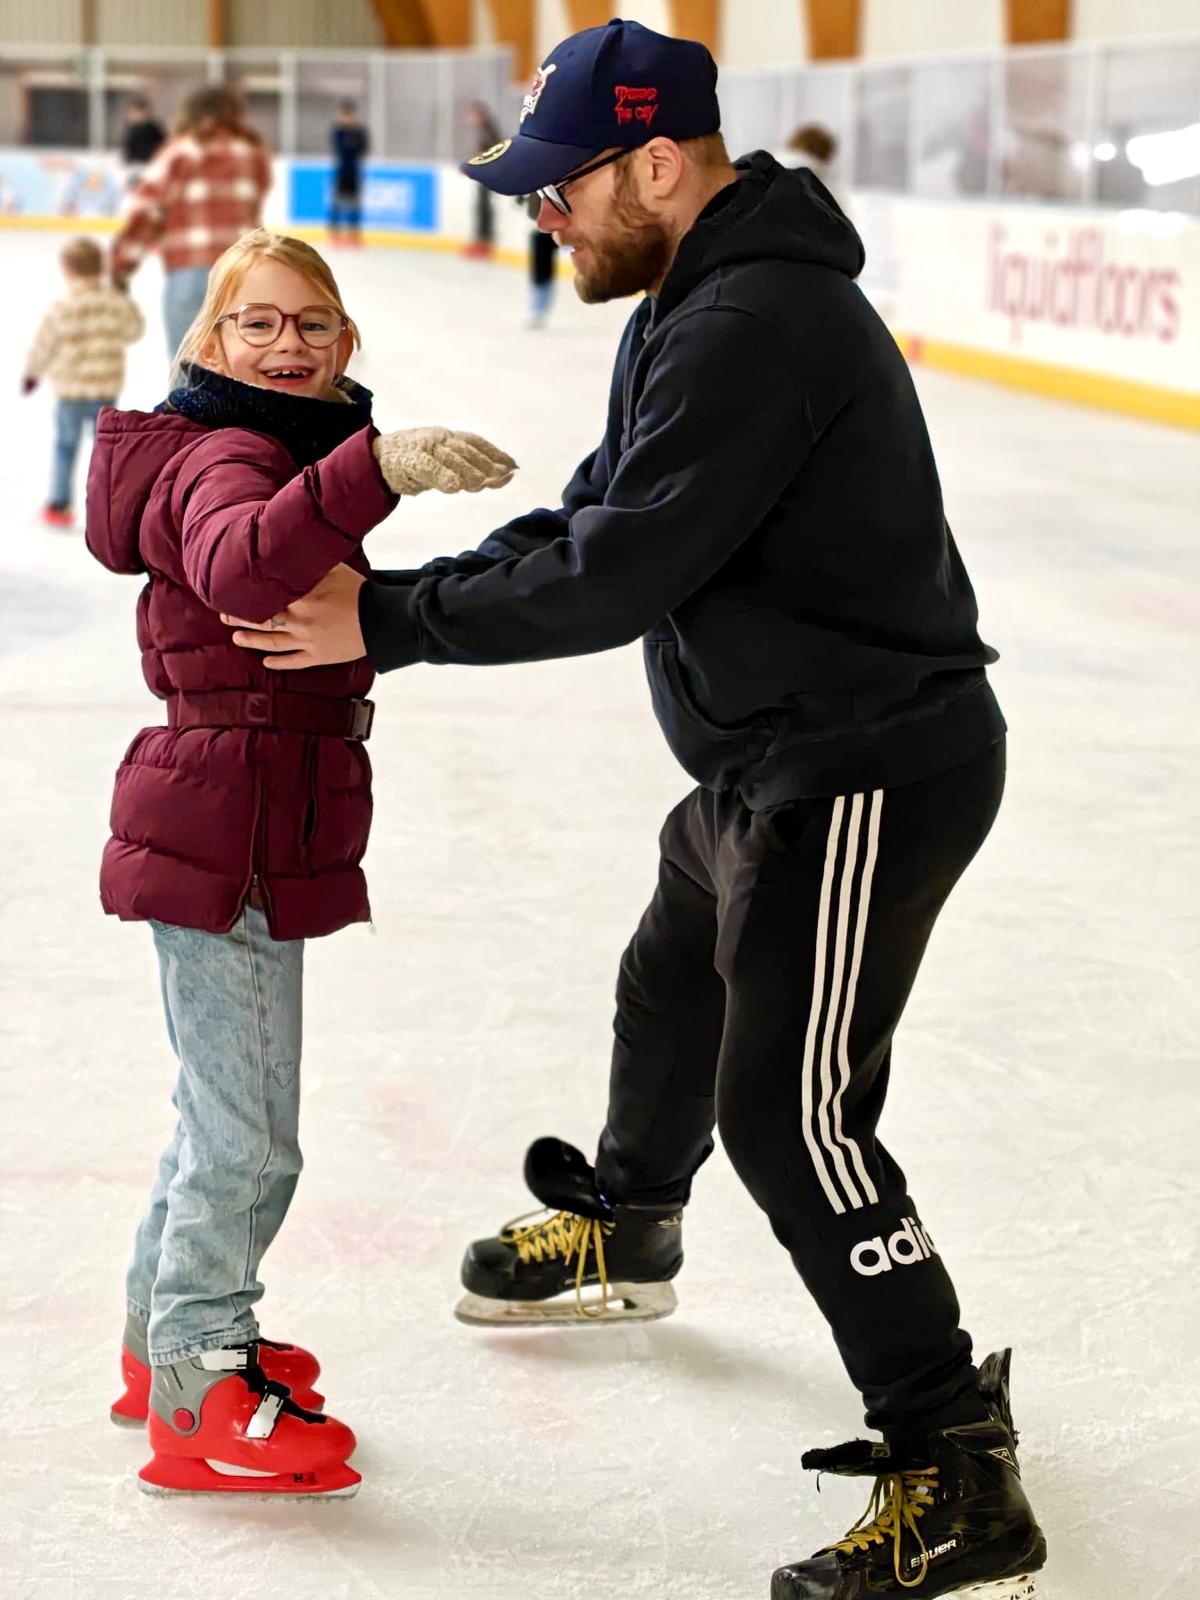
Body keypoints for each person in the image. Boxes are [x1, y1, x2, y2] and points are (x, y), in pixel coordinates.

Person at [224, 21, 1047, 1598]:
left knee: (793, 1120)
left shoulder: (757, 320)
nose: (542, 212)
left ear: (658, 162)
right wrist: (403, 591)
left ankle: (956, 1463)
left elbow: (617, 574)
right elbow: (604, 507)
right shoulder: (695, 290)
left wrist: (389, 622)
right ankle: (630, 1221)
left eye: (562, 184)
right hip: (767, 757)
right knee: (670, 983)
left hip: (866, 768)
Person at [86, 228, 515, 1498]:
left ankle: (158, 1347)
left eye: (313, 325)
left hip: (246, 813)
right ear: (207, 344)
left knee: (217, 1117)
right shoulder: (229, 452)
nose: (288, 344)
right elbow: (234, 560)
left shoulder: (276, 451)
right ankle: (203, 1381)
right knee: (251, 1136)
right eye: (258, 324)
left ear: (346, 344)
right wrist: (370, 469)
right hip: (234, 829)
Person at [111, 86, 272, 361]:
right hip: (244, 276)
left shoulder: (177, 154)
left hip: (189, 275)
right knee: (244, 376)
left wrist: (121, 265)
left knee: (187, 376)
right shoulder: (252, 153)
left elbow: (147, 213)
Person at [22, 235, 144, 528]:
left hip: (70, 391)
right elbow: (134, 331)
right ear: (100, 269)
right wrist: (125, 298)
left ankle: (59, 505)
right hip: (105, 388)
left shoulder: (64, 306)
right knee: (103, 450)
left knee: (65, 447)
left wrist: (32, 373)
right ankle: (105, 509)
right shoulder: (113, 302)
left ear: (68, 271)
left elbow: (44, 343)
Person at [329, 99, 369, 246]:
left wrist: (351, 143)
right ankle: (335, 235)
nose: (346, 118)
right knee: (336, 205)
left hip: (354, 173)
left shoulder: (359, 132)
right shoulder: (338, 131)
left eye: (349, 115)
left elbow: (362, 148)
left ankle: (353, 236)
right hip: (340, 172)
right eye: (344, 115)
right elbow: (340, 148)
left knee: (355, 206)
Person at [464, 101, 500, 258]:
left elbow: (494, 148)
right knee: (481, 206)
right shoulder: (486, 128)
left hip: (488, 173)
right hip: (485, 172)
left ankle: (484, 240)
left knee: (483, 207)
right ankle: (482, 239)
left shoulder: (488, 129)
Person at [520, 191, 558, 327]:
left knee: (542, 270)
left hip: (556, 226)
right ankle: (538, 309)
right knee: (541, 271)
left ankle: (538, 309)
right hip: (540, 230)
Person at [120, 96, 166, 186]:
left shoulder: (153, 127)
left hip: (149, 164)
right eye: (132, 112)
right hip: (135, 165)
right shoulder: (131, 128)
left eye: (136, 112)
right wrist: (127, 159)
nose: (133, 115)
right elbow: (128, 146)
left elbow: (163, 144)